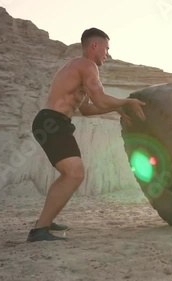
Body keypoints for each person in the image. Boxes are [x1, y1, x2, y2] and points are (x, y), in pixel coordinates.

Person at [28, 28, 146, 242]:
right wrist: (126, 102)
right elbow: (100, 99)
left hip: (51, 122)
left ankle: (44, 221)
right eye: (106, 49)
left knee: (70, 174)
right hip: (52, 123)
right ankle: (40, 230)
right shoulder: (87, 65)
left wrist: (116, 108)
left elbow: (87, 109)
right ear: (94, 46)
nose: (107, 55)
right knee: (75, 174)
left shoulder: (76, 68)